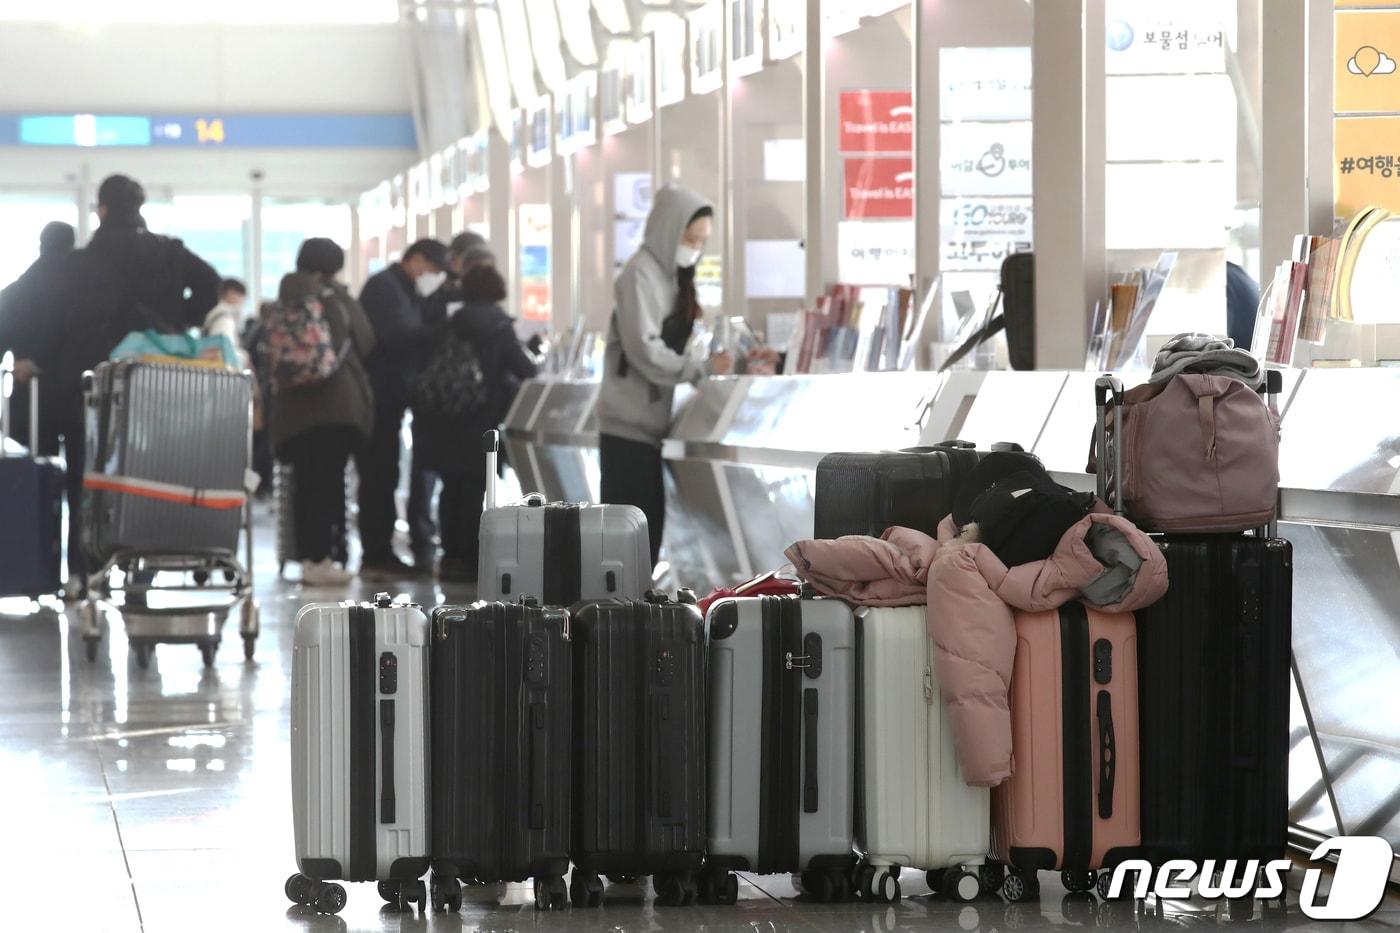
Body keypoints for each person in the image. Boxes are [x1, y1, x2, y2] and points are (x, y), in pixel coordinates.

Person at [52, 174, 221, 588]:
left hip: (91, 379)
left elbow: (59, 318)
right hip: (151, 379)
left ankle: (85, 568)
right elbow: (211, 283)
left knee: (85, 474)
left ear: (103, 209)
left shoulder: (79, 261)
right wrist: (180, 322)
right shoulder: (168, 251)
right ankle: (142, 563)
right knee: (148, 472)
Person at [596, 184, 739, 569]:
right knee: (630, 542)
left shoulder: (672, 278)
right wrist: (698, 370)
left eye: (701, 241)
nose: (694, 248)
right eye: (689, 238)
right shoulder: (640, 275)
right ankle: (621, 622)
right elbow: (644, 349)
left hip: (648, 428)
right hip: (628, 428)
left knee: (645, 537)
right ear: (667, 229)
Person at [414, 261, 537, 583]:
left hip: (444, 420)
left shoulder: (450, 320)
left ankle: (449, 558)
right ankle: (469, 560)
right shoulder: (499, 326)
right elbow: (526, 370)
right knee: (473, 493)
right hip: (480, 422)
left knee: (450, 491)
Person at [269, 239, 376, 586]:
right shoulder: (331, 297)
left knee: (306, 485)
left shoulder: (285, 297)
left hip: (294, 409)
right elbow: (366, 338)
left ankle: (312, 559)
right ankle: (322, 558)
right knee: (328, 485)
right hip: (335, 406)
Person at [355, 238, 448, 580]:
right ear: (418, 260)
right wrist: (441, 330)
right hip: (378, 398)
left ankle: (382, 553)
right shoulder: (385, 288)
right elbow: (399, 335)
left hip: (391, 398)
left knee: (386, 473)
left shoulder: (403, 289)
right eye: (435, 270)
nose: (434, 277)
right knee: (378, 474)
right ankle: (376, 555)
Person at [0, 221, 75, 449]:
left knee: (28, 471)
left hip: (28, 394)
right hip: (72, 393)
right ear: (71, 246)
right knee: (77, 466)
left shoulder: (17, 290)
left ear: (41, 245)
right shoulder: (79, 289)